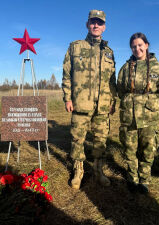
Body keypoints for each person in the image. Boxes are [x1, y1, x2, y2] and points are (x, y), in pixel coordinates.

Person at [62, 10, 116, 190]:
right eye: (93, 22)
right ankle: (78, 171)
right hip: (80, 103)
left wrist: (112, 101)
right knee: (77, 140)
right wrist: (68, 98)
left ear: (104, 27)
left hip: (102, 106)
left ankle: (99, 171)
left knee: (100, 141)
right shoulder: (75, 47)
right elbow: (67, 74)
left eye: (99, 23)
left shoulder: (109, 52)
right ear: (87, 24)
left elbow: (112, 81)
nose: (96, 25)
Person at [117, 32, 159, 194]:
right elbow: (120, 90)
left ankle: (144, 179)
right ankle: (133, 177)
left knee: (148, 148)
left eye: (140, 45)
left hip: (149, 116)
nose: (137, 49)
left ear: (146, 45)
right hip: (129, 116)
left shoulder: (157, 68)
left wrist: (149, 102)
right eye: (133, 46)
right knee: (129, 149)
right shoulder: (125, 68)